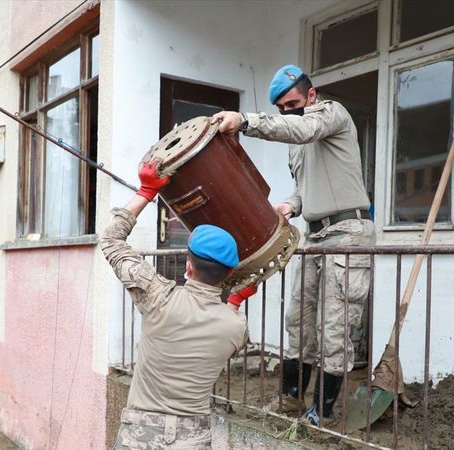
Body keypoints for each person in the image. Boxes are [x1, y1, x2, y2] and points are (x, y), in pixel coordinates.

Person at [213, 64, 375, 426]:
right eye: (282, 108)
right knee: (298, 318)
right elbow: (305, 187)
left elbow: (303, 128)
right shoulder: (298, 148)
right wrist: (291, 205)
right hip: (315, 233)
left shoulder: (331, 114)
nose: (288, 112)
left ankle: (324, 413)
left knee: (336, 325)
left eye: (293, 103)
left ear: (311, 95)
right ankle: (290, 400)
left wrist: (245, 121)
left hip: (348, 231)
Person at [102, 160, 255, 449]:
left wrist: (147, 191)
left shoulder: (158, 296)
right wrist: (234, 300)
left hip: (140, 435)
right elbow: (227, 329)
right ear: (230, 273)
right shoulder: (236, 326)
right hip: (193, 439)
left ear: (188, 265)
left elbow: (111, 240)